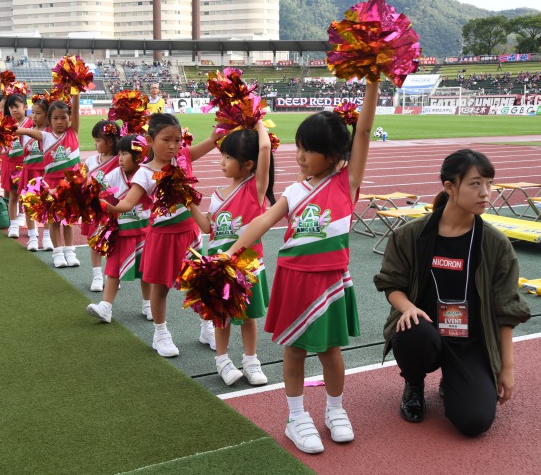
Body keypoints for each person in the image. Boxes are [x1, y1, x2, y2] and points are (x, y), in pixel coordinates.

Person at [221, 81, 379, 454]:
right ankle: (295, 417)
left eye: (310, 150)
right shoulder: (293, 192)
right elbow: (262, 221)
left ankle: (335, 410)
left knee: (330, 352)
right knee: (294, 351)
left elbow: (364, 131)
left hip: (330, 282)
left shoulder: (347, 182)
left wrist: (373, 80)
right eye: (300, 148)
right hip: (294, 280)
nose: (301, 156)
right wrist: (232, 251)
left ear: (335, 154)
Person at [373, 149, 531, 437]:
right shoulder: (410, 235)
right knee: (411, 328)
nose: (485, 193)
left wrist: (506, 368)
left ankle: (453, 379)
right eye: (475, 183)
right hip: (425, 333)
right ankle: (414, 384)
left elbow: (506, 310)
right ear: (449, 187)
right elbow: (391, 284)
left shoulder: (495, 244)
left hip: (469, 342)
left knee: (474, 422)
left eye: (489, 183)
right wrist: (407, 307)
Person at [106, 113, 222, 358]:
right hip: (161, 236)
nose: (172, 145)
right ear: (150, 140)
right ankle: (160, 333)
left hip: (189, 234)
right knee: (160, 287)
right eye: (166, 139)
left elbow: (212, 140)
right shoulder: (144, 172)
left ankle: (206, 328)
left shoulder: (183, 157)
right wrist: (105, 204)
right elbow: (127, 203)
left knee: (200, 284)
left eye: (177, 140)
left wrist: (227, 122)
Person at [189, 122, 274, 387]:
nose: (222, 162)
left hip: (247, 262)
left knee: (248, 317)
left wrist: (256, 121)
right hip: (218, 263)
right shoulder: (217, 195)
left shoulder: (255, 187)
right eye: (222, 156)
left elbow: (264, 147)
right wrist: (189, 203)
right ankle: (223, 360)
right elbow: (208, 228)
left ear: (248, 164)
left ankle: (251, 361)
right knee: (221, 316)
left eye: (228, 157)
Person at [86, 135, 152, 322]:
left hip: (143, 232)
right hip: (121, 232)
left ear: (138, 156)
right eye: (119, 153)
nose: (120, 158)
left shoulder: (147, 174)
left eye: (125, 154)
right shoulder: (114, 175)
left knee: (146, 272)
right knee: (113, 271)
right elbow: (102, 193)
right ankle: (106, 307)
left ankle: (148, 304)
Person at [17, 94, 81, 265]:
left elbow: (76, 109)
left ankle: (70, 252)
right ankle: (58, 253)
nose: (59, 122)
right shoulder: (45, 135)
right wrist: (1, 129)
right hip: (52, 184)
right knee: (54, 221)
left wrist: (75, 92)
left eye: (63, 118)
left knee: (69, 221)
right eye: (55, 118)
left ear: (70, 118)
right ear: (49, 120)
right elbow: (23, 131)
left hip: (71, 185)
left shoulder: (73, 132)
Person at [82, 120, 121, 291]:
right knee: (94, 241)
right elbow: (82, 180)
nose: (95, 144)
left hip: (113, 208)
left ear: (110, 142)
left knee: (113, 242)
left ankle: (112, 274)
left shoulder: (121, 160)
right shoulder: (91, 160)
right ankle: (97, 275)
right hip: (94, 209)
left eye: (98, 140)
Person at [15, 98, 52, 251]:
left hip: (45, 172)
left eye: (39, 113)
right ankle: (32, 237)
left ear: (47, 114)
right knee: (29, 205)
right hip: (29, 171)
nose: (34, 116)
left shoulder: (51, 132)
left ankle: (47, 236)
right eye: (33, 112)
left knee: (48, 204)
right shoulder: (25, 131)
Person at [3, 94, 32, 239]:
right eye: (11, 107)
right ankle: (13, 225)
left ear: (25, 107)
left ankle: (27, 222)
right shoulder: (6, 124)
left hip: (27, 164)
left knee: (28, 196)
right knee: (13, 195)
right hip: (11, 163)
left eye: (17, 106)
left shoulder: (31, 123)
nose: (14, 110)